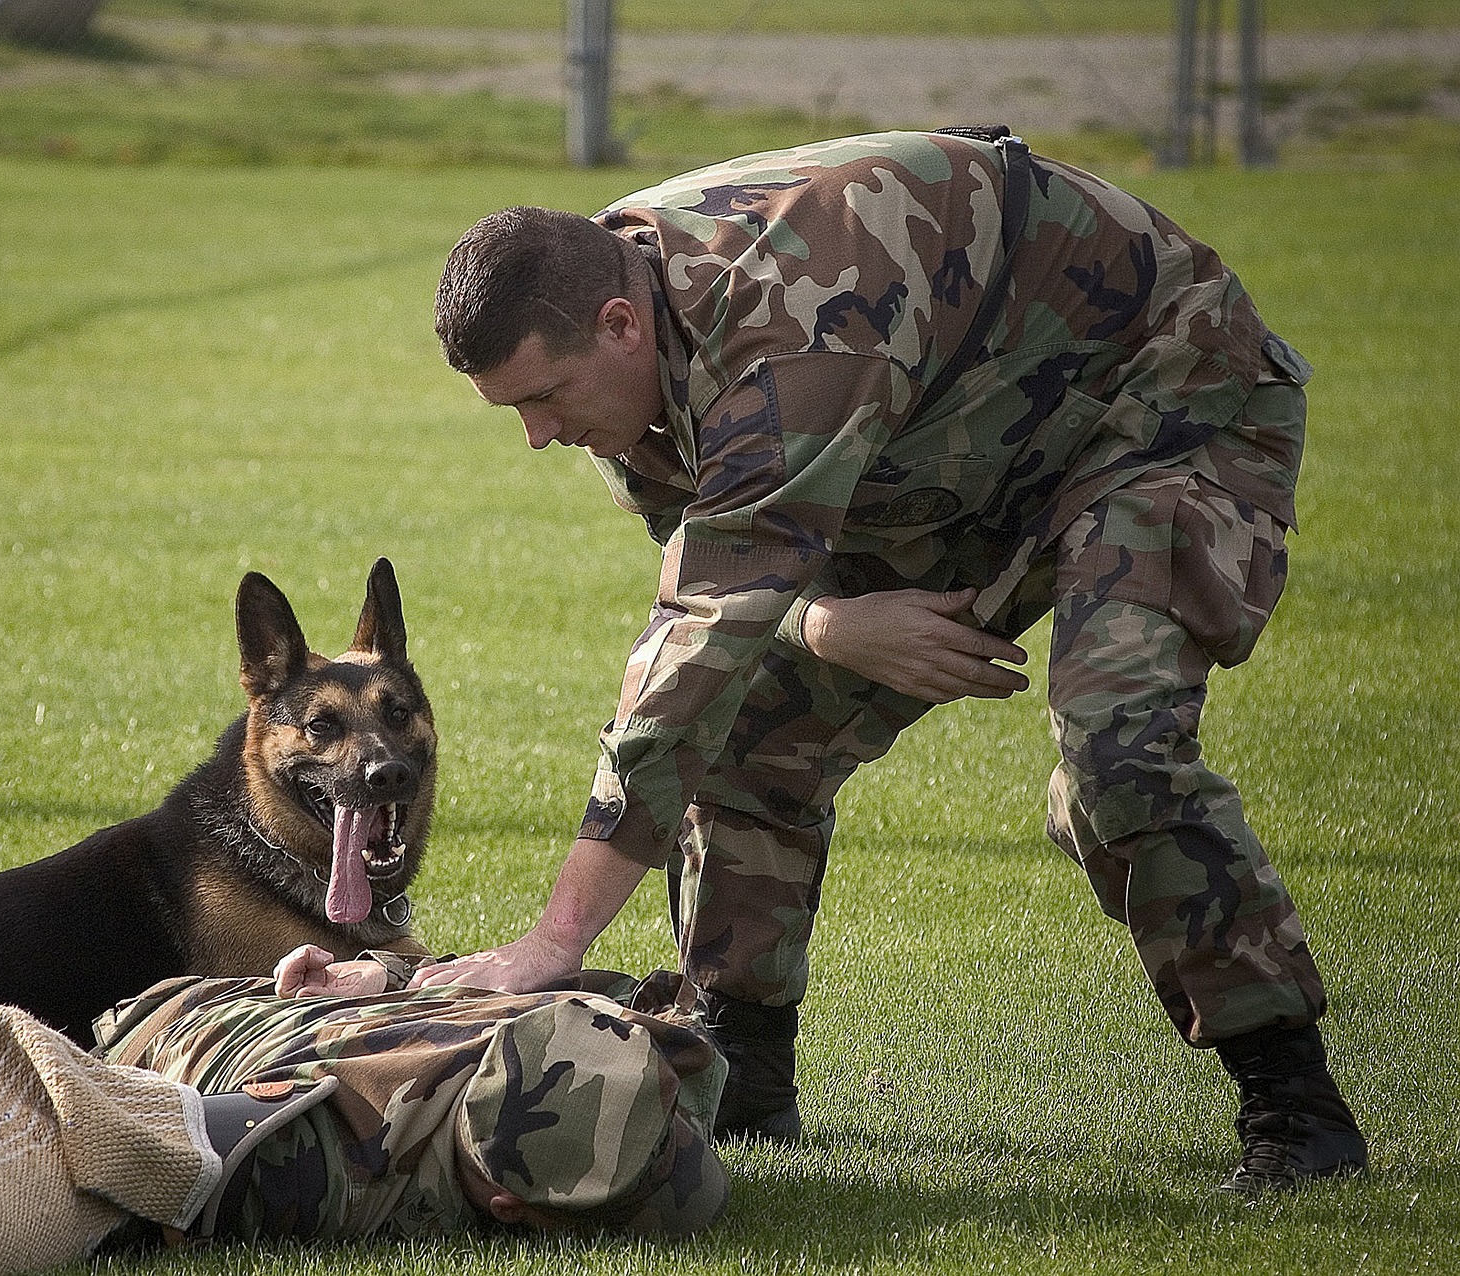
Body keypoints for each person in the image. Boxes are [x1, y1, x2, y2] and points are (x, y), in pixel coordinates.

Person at [419, 127, 1365, 1191]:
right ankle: (742, 1078)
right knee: (749, 741)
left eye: (542, 400)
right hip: (951, 453)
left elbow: (695, 640)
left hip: (1164, 409)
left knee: (1119, 756)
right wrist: (825, 622)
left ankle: (1297, 1111)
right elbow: (722, 568)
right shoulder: (620, 352)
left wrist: (555, 939)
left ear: (621, 323)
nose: (539, 437)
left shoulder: (788, 314)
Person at [0, 959, 729, 1275]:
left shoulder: (320, 1172)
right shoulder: (640, 1080)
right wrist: (389, 978)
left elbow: (122, 1160)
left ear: (513, 1211)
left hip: (167, 1026)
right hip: (267, 994)